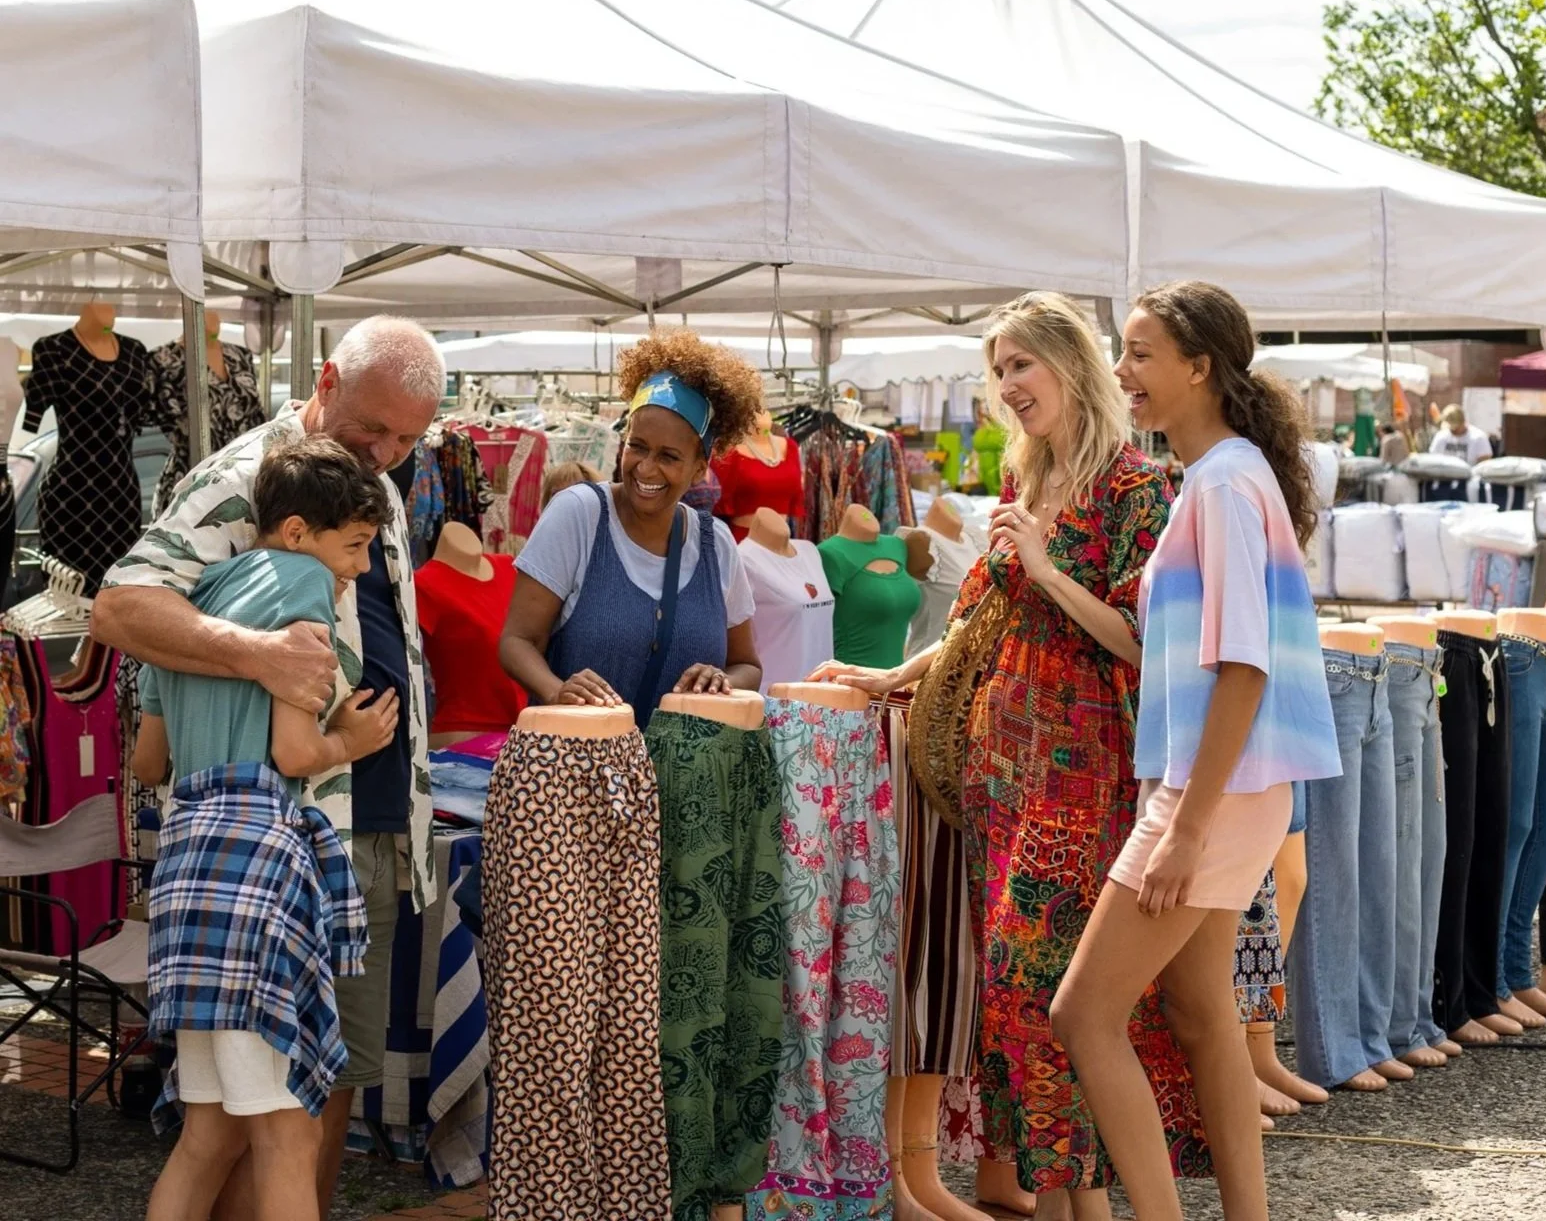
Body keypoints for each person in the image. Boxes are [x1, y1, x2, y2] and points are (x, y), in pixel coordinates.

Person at [813, 292, 1196, 1221]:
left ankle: (1098, 1209)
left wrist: (1050, 570)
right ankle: (1070, 1207)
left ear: (1070, 365)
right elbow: (985, 623)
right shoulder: (1035, 484)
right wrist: (889, 678)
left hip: (1084, 777)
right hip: (1000, 782)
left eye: (1020, 365)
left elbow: (1148, 645)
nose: (1007, 387)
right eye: (998, 371)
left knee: (1054, 997)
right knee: (1019, 1012)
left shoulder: (1135, 488)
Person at [93, 315, 446, 1221]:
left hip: (346, 830)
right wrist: (262, 656)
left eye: (411, 438)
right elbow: (122, 607)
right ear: (325, 380)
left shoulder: (373, 485)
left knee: (301, 1098)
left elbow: (152, 748)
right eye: (377, 430)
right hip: (287, 842)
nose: (392, 452)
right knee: (285, 1112)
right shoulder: (243, 480)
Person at [1050, 281, 1340, 1221]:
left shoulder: (1219, 483)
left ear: (1198, 367)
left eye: (1139, 354)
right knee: (1201, 1011)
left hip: (1212, 789)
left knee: (1081, 1014)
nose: (1122, 372)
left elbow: (1243, 668)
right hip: (1233, 784)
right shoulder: (1230, 474)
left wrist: (1183, 826)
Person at [135, 437, 400, 1221]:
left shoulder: (182, 606)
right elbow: (292, 750)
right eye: (352, 546)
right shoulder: (303, 583)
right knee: (288, 1139)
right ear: (294, 531)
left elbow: (151, 761)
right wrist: (350, 743)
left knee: (206, 1136)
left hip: (185, 869)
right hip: (257, 864)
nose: (356, 567)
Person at [499, 328, 766, 725]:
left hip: (682, 782)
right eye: (637, 445)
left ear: (699, 469)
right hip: (579, 776)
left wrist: (721, 680)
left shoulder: (717, 546)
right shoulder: (579, 515)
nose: (645, 468)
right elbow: (517, 641)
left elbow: (747, 665)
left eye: (668, 456)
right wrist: (557, 691)